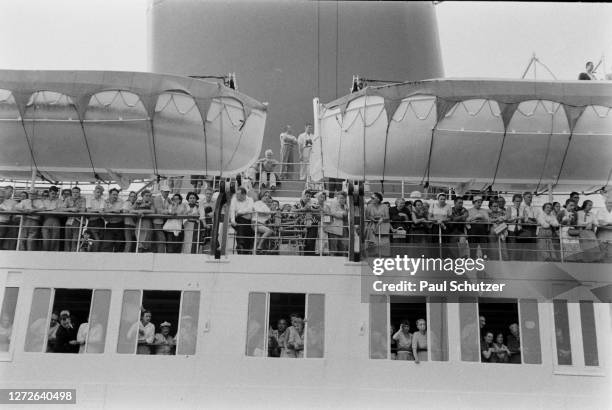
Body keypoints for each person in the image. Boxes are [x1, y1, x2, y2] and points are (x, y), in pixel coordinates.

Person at [60, 186, 87, 252]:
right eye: (74, 192)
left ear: (79, 193)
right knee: (67, 239)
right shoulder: (68, 199)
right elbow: (62, 209)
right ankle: (67, 255)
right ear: (71, 193)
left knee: (75, 240)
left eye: (77, 192)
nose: (75, 193)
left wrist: (75, 209)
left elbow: (83, 209)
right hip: (69, 221)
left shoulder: (83, 199)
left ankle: (74, 254)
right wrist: (71, 209)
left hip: (78, 221)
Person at [229, 187, 255, 254]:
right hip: (236, 220)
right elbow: (232, 211)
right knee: (241, 222)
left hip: (247, 221)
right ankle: (242, 245)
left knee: (242, 226)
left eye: (238, 194)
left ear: (244, 195)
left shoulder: (250, 199)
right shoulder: (234, 199)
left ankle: (240, 246)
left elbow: (250, 209)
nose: (236, 195)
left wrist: (239, 212)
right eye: (236, 194)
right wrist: (233, 221)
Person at [365, 192, 390, 257]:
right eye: (371, 198)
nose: (371, 199)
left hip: (383, 226)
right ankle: (372, 255)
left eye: (373, 198)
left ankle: (383, 256)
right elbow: (367, 216)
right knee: (373, 243)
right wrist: (372, 218)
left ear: (378, 199)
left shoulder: (384, 206)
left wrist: (381, 219)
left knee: (383, 243)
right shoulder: (369, 206)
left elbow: (387, 217)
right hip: (372, 225)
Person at [292, 190, 317, 255]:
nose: (308, 197)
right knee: (303, 242)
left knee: (310, 241)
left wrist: (311, 209)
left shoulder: (313, 203)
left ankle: (310, 255)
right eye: (307, 196)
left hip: (312, 224)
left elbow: (317, 211)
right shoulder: (297, 203)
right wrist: (302, 209)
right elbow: (293, 210)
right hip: (301, 224)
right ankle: (304, 255)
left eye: (309, 196)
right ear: (303, 196)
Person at [324, 191, 349, 256]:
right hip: (334, 228)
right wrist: (343, 213)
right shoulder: (334, 203)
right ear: (337, 198)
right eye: (340, 198)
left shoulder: (346, 205)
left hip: (344, 228)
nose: (342, 199)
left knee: (343, 247)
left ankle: (343, 259)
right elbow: (333, 213)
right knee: (333, 247)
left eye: (343, 198)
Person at [102, 188, 125, 252]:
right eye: (114, 194)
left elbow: (121, 210)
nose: (115, 196)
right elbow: (103, 211)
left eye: (116, 195)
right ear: (109, 195)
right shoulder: (105, 201)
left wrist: (110, 211)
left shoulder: (121, 201)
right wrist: (113, 210)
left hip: (120, 224)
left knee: (119, 243)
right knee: (107, 243)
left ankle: (118, 259)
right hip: (110, 224)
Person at [429, 193, 451, 257]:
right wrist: (436, 220)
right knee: (435, 241)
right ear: (438, 199)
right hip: (435, 225)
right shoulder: (433, 205)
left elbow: (450, 218)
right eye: (441, 199)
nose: (442, 200)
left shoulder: (448, 206)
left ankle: (444, 256)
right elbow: (429, 217)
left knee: (444, 241)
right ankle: (435, 257)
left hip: (444, 225)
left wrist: (443, 220)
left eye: (444, 199)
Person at [41, 186, 62, 251]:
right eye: (52, 193)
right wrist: (53, 210)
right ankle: (45, 255)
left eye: (55, 194)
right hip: (46, 220)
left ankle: (54, 256)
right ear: (49, 193)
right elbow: (42, 209)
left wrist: (49, 210)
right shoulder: (44, 201)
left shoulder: (59, 201)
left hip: (56, 220)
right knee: (46, 240)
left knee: (54, 240)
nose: (54, 195)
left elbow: (60, 210)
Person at [86, 185, 106, 252]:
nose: (99, 194)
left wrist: (94, 210)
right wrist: (97, 211)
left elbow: (102, 210)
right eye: (97, 192)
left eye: (100, 192)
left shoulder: (103, 200)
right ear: (94, 192)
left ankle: (95, 252)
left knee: (100, 238)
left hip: (100, 221)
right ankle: (93, 253)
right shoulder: (89, 199)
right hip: (92, 221)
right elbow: (88, 210)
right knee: (93, 239)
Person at [153, 184, 172, 253]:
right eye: (165, 191)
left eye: (168, 192)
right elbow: (159, 210)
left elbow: (172, 206)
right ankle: (160, 255)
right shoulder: (157, 198)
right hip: (157, 222)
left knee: (161, 239)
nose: (167, 193)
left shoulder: (168, 199)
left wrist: (173, 208)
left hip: (164, 222)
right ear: (161, 192)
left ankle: (161, 254)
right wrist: (170, 212)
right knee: (161, 239)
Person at [505, 193, 523, 260]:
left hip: (519, 230)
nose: (518, 203)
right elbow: (507, 219)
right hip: (511, 230)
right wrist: (516, 218)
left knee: (519, 248)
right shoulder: (509, 208)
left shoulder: (522, 209)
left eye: (519, 201)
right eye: (517, 201)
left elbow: (524, 219)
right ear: (513, 201)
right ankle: (511, 262)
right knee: (512, 248)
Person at [521, 192, 538, 261]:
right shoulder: (522, 207)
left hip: (533, 227)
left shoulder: (532, 206)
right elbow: (524, 218)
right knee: (526, 246)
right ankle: (525, 261)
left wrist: (535, 221)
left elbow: (535, 217)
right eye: (528, 197)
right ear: (524, 198)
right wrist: (533, 222)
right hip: (526, 227)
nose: (530, 198)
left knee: (533, 246)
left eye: (531, 197)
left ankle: (532, 261)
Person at [198, 188, 216, 252]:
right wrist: (205, 224)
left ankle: (211, 251)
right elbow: (202, 214)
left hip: (213, 221)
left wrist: (212, 214)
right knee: (202, 237)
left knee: (213, 237)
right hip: (203, 222)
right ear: (205, 194)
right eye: (207, 193)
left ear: (212, 194)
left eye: (210, 194)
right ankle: (201, 252)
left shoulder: (215, 201)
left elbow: (216, 212)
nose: (208, 195)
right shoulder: (201, 202)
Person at [596, 197, 612, 262]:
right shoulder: (601, 210)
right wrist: (609, 223)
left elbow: (604, 223)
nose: (610, 204)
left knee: (610, 255)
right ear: (605, 203)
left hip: (611, 236)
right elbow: (600, 223)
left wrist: (606, 223)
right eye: (609, 203)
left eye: (611, 203)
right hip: (602, 235)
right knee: (601, 254)